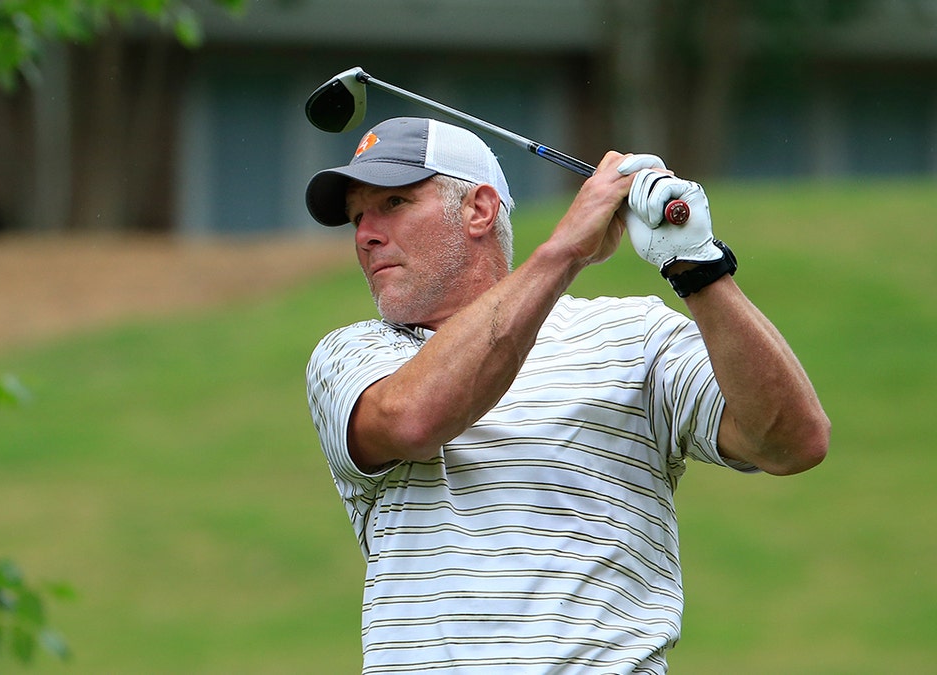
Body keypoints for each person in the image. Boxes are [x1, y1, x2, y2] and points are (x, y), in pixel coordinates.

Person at [303, 116, 829, 674]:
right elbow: (412, 420)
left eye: (393, 205)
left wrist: (699, 268)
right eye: (358, 217)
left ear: (478, 209)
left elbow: (792, 442)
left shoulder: (634, 335)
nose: (366, 234)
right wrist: (565, 251)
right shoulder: (353, 356)